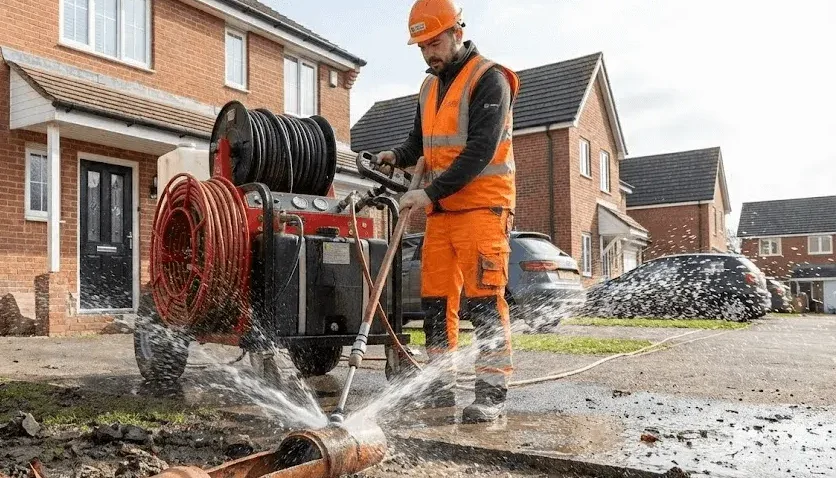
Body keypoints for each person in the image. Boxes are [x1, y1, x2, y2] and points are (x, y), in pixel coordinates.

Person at [375, 0, 520, 424]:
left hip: (482, 208)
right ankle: (439, 384)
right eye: (421, 46)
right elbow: (418, 144)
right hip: (441, 212)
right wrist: (394, 156)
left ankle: (491, 392)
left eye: (434, 42)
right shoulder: (429, 88)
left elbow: (480, 150)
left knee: (484, 301)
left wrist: (431, 193)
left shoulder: (490, 79)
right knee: (436, 302)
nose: (428, 53)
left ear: (458, 31)